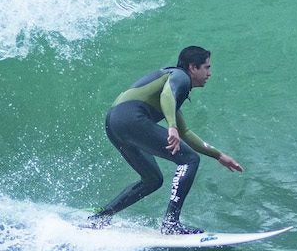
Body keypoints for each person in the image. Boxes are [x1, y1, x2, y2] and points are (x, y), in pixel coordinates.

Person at [87, 45, 243, 234]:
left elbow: (185, 132)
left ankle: (101, 217)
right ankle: (171, 224)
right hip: (131, 118)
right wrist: (171, 126)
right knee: (190, 160)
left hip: (114, 122)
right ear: (193, 67)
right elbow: (167, 94)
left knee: (152, 179)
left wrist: (219, 156)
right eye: (207, 67)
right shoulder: (180, 77)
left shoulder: (175, 88)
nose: (209, 73)